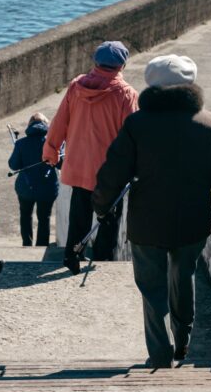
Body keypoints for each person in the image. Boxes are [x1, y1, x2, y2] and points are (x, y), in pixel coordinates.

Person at [93, 54, 211, 368]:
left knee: (151, 286)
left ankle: (160, 353)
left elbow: (114, 170)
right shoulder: (210, 123)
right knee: (184, 273)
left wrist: (101, 205)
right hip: (192, 217)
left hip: (147, 219)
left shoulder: (137, 123)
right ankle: (183, 338)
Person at [43, 41, 139, 273]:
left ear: (95, 62)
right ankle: (102, 262)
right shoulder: (126, 94)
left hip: (78, 166)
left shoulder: (76, 87)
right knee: (108, 218)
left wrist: (51, 150)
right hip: (109, 172)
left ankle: (72, 257)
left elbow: (59, 122)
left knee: (79, 215)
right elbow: (134, 136)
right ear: (122, 65)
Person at [8, 113, 59, 246]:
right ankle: (42, 246)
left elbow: (13, 165)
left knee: (25, 216)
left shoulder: (21, 143)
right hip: (47, 189)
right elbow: (60, 164)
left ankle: (27, 244)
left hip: (25, 188)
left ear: (30, 125)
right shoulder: (52, 143)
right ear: (46, 125)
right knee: (44, 218)